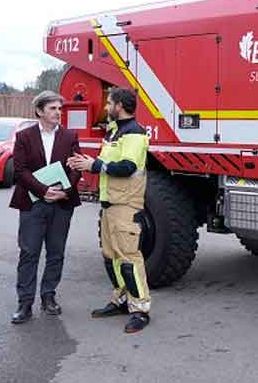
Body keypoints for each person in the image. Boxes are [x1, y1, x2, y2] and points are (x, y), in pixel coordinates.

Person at [68, 87, 152, 334]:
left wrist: (93, 164)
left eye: (109, 103)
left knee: (128, 258)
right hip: (110, 204)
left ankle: (140, 309)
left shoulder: (134, 133)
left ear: (120, 106)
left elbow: (127, 166)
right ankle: (122, 300)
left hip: (125, 205)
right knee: (111, 256)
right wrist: (87, 162)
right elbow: (108, 165)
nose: (105, 108)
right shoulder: (114, 132)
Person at [8, 91, 82, 324]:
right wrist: (43, 191)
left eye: (60, 109)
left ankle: (48, 295)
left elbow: (77, 167)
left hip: (62, 202)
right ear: (39, 111)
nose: (58, 113)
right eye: (53, 108)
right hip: (32, 202)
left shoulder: (70, 136)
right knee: (29, 252)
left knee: (56, 251)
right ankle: (25, 302)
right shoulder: (24, 136)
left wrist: (65, 191)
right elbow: (20, 171)